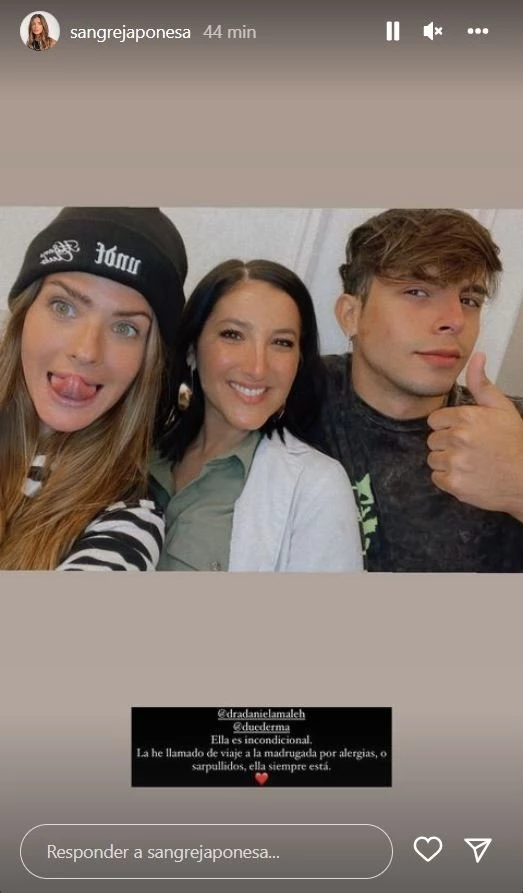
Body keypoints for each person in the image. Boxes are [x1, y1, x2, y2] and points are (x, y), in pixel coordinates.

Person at [317, 208, 523, 572]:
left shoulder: (511, 433)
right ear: (351, 314)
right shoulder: (286, 394)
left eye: (469, 300)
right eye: (417, 291)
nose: (455, 321)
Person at [0, 206, 187, 570]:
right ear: (24, 314)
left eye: (125, 328)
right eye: (64, 307)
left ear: (147, 362)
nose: (86, 351)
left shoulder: (127, 525)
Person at [152, 259, 363, 572]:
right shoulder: (140, 450)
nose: (257, 368)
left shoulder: (318, 487)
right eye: (233, 335)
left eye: (281, 342)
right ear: (192, 349)